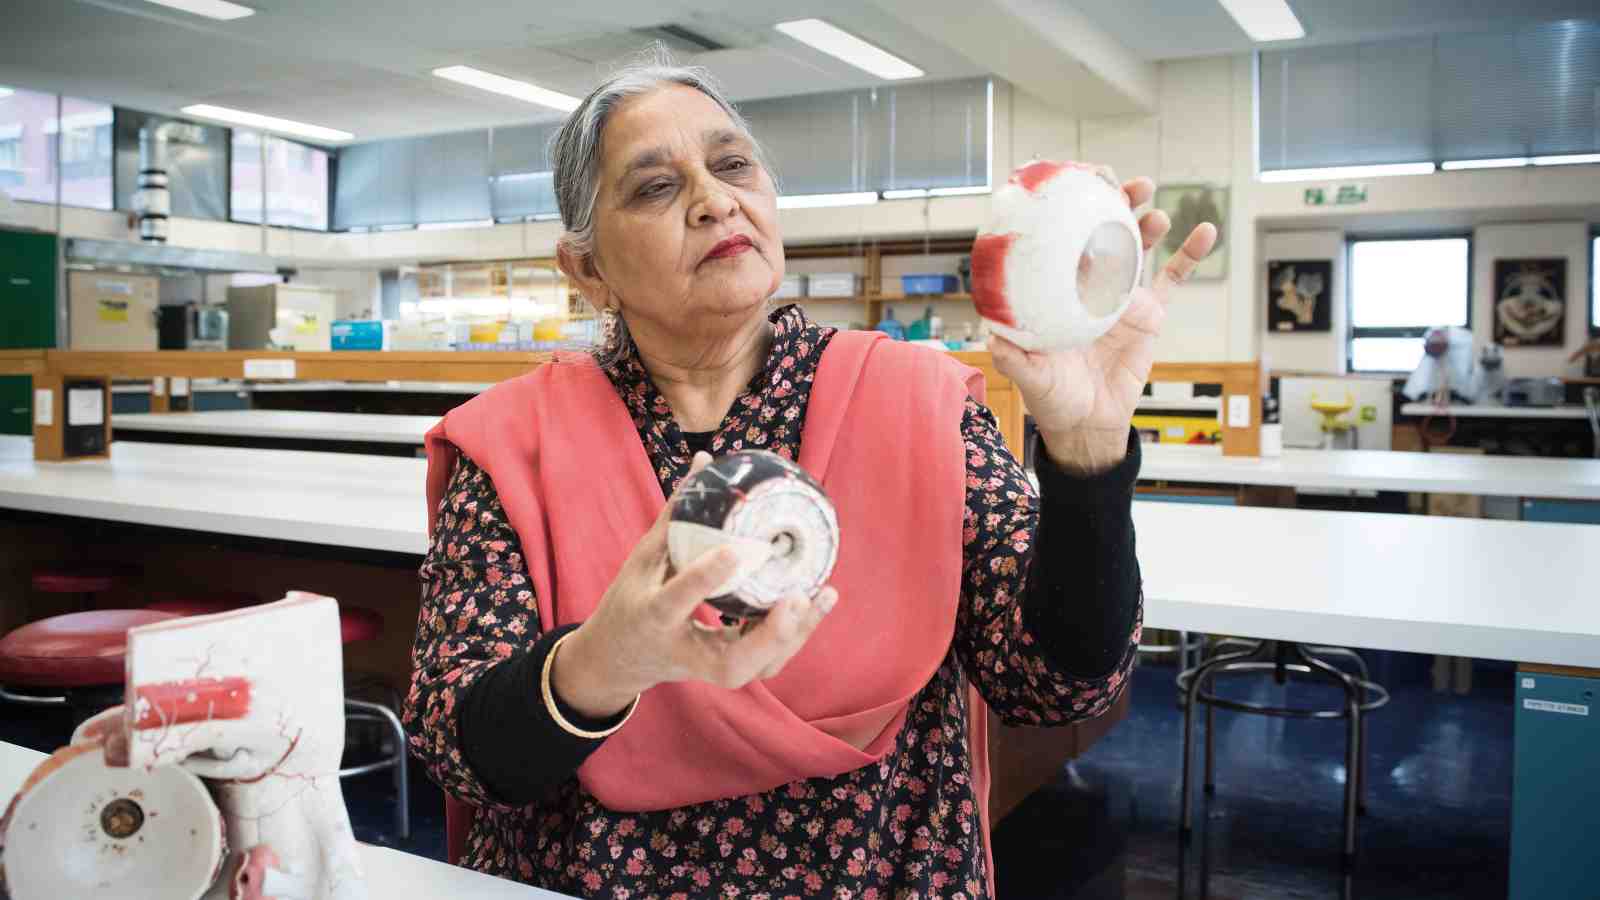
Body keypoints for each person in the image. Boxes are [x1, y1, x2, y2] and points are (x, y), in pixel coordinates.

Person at [403, 51, 1216, 899]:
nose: (716, 200)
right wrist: (604, 662)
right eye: (653, 187)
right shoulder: (515, 444)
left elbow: (1056, 684)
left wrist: (1087, 458)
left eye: (732, 164)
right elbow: (456, 748)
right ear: (586, 270)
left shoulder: (916, 403)